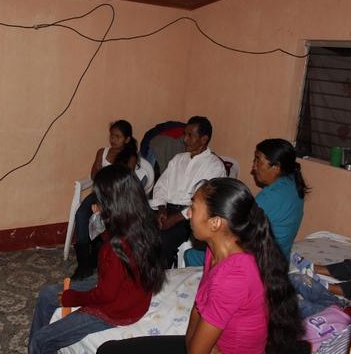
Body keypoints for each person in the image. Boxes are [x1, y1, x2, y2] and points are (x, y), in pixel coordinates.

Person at [97, 178, 308, 354]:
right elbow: (199, 307)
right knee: (109, 350)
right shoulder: (215, 250)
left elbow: (196, 350)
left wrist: (197, 335)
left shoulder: (235, 274)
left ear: (215, 223)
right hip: (207, 346)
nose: (188, 214)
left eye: (193, 208)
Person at [28, 165, 165, 354]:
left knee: (40, 341)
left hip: (115, 310)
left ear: (111, 204)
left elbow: (104, 296)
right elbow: (115, 272)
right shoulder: (142, 224)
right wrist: (102, 224)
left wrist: (72, 297)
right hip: (124, 291)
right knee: (47, 295)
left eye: (98, 198)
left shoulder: (116, 248)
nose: (95, 201)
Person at [185, 138, 309, 266]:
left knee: (191, 254)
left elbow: (238, 228)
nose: (254, 167)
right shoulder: (292, 184)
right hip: (280, 256)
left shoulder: (271, 195)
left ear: (276, 167)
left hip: (262, 261)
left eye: (258, 160)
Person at [149, 116, 226, 268]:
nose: (184, 139)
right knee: (136, 229)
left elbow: (205, 202)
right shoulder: (178, 159)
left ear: (204, 139)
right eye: (185, 134)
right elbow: (162, 186)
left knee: (162, 242)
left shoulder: (214, 166)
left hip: (191, 215)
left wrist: (174, 219)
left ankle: (158, 280)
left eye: (190, 135)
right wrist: (162, 209)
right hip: (167, 209)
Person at [71, 120, 139, 280]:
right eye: (111, 136)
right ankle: (83, 263)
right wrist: (104, 176)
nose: (113, 139)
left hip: (116, 197)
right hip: (99, 193)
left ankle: (98, 256)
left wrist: (105, 176)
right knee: (81, 214)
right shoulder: (102, 152)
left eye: (118, 136)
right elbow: (95, 174)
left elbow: (122, 181)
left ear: (127, 139)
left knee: (108, 219)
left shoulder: (130, 157)